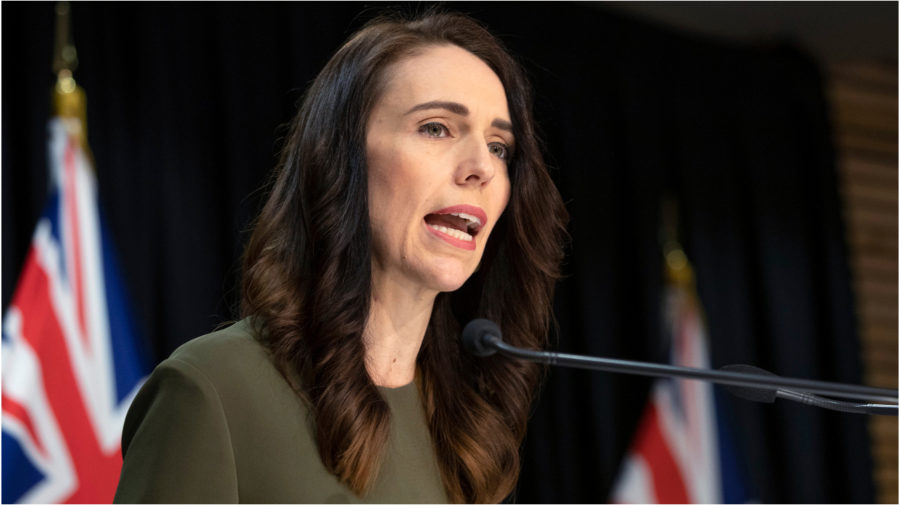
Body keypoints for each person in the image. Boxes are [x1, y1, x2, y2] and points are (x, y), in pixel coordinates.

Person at [114, 10, 568, 504]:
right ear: (341, 158)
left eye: (500, 147)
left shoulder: (470, 429)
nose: (482, 167)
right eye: (436, 128)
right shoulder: (214, 389)